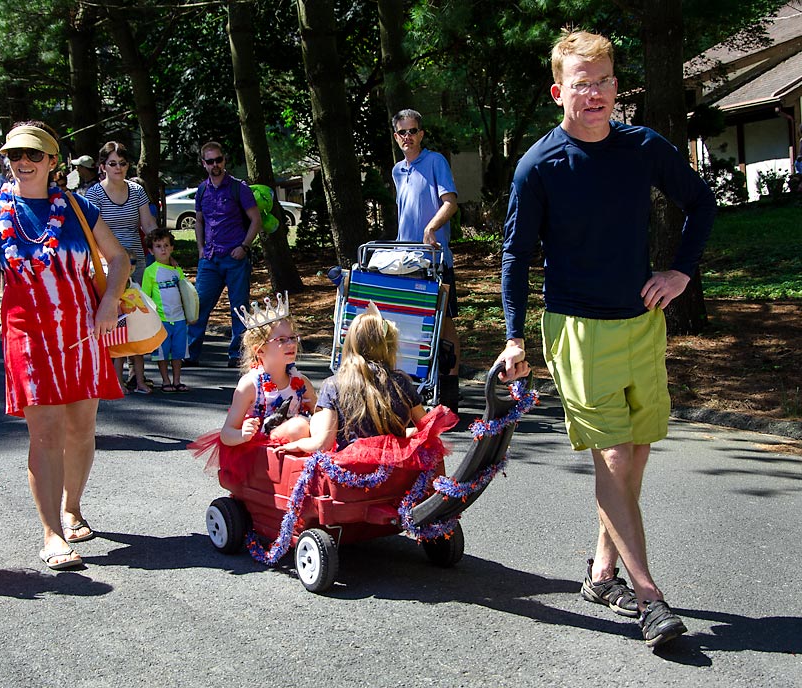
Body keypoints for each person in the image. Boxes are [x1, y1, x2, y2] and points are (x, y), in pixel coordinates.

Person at [495, 30, 716, 649]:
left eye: (604, 81)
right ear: (557, 90)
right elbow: (514, 257)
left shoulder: (644, 147)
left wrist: (681, 271)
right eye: (580, 83)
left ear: (617, 86)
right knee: (614, 458)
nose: (593, 94)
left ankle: (600, 573)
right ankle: (650, 599)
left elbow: (701, 203)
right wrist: (515, 337)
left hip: (641, 322)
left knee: (634, 455)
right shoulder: (540, 164)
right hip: (577, 329)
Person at [0, 120, 129, 571]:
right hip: (27, 338)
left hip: (83, 334)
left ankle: (72, 508)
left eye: (34, 155)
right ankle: (52, 534)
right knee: (46, 434)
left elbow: (119, 258)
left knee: (81, 428)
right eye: (15, 155)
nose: (22, 162)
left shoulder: (78, 209)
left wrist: (109, 302)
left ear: (53, 162)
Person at [279, 302, 456, 460]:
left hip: (353, 471)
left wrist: (298, 444)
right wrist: (400, 435)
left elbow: (323, 445)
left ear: (350, 345)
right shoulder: (401, 382)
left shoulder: (334, 385)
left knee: (316, 420)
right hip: (394, 469)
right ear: (389, 348)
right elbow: (428, 427)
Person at [189, 295, 315, 485]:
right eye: (281, 339)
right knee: (299, 426)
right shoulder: (250, 385)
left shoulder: (301, 381)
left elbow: (319, 412)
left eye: (293, 338)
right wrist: (242, 434)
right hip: (263, 452)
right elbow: (226, 434)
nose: (291, 344)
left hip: (299, 448)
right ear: (260, 350)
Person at [84, 141, 158, 393]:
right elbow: (90, 234)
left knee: (135, 316)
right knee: (111, 317)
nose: (118, 168)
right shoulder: (93, 194)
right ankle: (108, 376)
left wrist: (161, 250)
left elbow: (148, 225)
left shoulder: (137, 191)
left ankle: (137, 377)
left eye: (123, 163)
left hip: (136, 259)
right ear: (102, 166)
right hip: (107, 262)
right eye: (112, 163)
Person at [391, 108, 461, 380]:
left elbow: (450, 202)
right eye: (402, 132)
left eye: (412, 131)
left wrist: (431, 227)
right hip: (404, 261)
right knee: (409, 322)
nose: (407, 137)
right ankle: (417, 383)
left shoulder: (435, 161)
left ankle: (451, 384)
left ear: (420, 134)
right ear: (396, 137)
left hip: (435, 259)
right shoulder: (398, 170)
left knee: (444, 321)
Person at [185, 142, 261, 368]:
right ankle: (191, 352)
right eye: (210, 161)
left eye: (218, 160)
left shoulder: (239, 188)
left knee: (239, 307)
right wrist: (200, 248)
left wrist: (245, 246)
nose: (215, 165)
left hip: (235, 257)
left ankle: (236, 355)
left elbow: (255, 220)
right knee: (198, 306)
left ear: (224, 160)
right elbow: (199, 220)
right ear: (203, 164)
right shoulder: (202, 190)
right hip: (209, 258)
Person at [141, 228, 189, 393]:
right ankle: (165, 380)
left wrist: (191, 313)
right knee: (162, 352)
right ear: (151, 250)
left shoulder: (177, 270)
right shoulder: (150, 272)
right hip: (161, 319)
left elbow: (186, 292)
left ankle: (177, 380)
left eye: (166, 245)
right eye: (158, 246)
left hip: (180, 318)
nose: (163, 249)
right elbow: (146, 296)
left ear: (172, 248)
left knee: (178, 351)